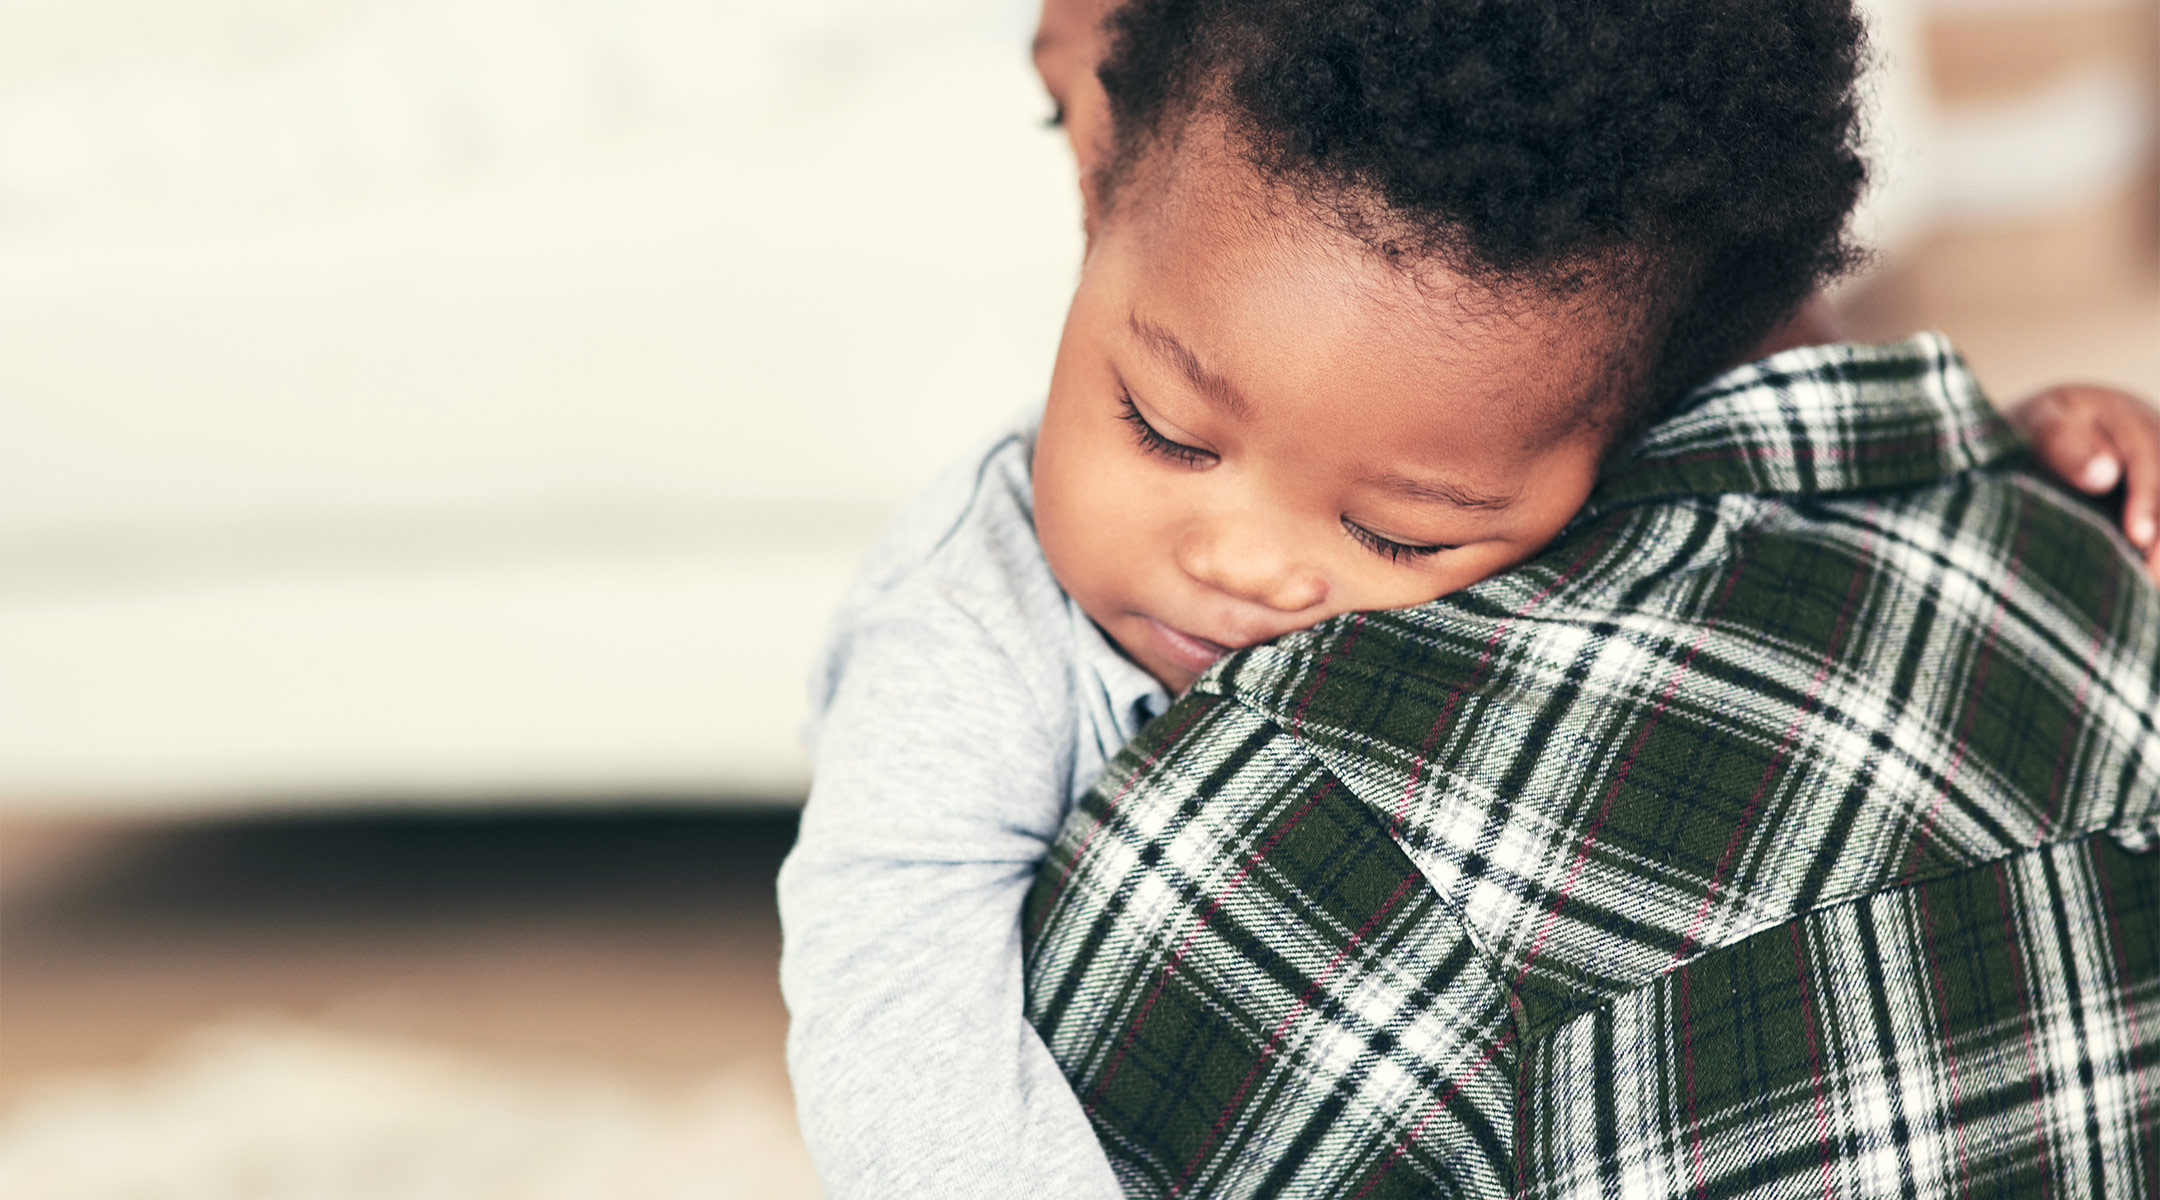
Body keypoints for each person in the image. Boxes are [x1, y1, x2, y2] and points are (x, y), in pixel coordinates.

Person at [779, 1, 2160, 1197]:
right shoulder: (965, 635)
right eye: (1166, 431)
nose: (1248, 561)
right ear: (1095, 181)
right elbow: (894, 1030)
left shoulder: (1585, 375)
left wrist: (2018, 446)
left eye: (1400, 528)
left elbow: (1790, 433)